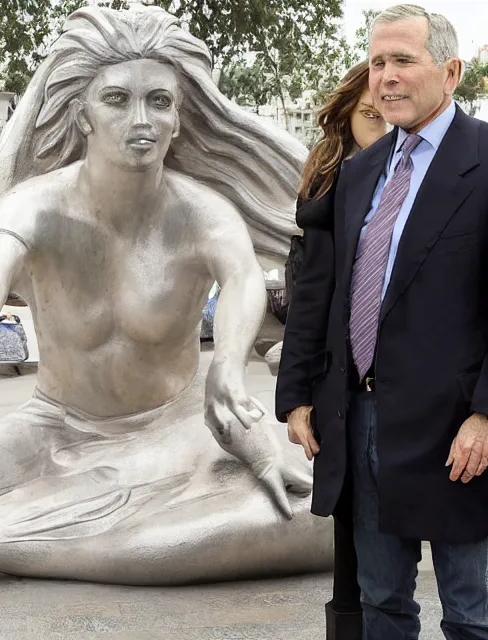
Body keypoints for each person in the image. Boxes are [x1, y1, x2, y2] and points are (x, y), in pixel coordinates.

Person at [0, 5, 333, 585]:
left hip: (179, 427)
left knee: (314, 513)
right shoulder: (33, 208)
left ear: (178, 116)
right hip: (51, 428)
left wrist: (228, 371)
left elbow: (243, 280)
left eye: (159, 102)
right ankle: (55, 540)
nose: (140, 120)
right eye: (116, 99)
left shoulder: (204, 214)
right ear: (81, 113)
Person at [277, 3, 488, 639]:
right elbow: (323, 293)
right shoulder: (360, 172)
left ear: (450, 73)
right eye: (377, 63)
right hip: (361, 420)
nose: (386, 77)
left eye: (403, 61)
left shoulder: (484, 161)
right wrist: (298, 395)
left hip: (458, 434)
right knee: (382, 607)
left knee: (471, 616)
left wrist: (485, 415)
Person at [276, 61, 386, 639]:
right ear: (345, 116)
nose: (383, 127)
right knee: (353, 556)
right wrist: (296, 398)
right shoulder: (330, 186)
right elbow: (309, 300)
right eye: (370, 115)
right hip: (342, 384)